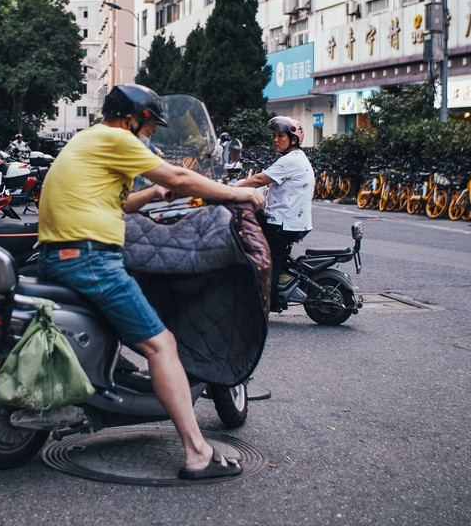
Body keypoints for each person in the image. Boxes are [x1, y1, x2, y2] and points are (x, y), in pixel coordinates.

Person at [37, 84, 264, 480]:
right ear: (133, 118)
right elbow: (180, 177)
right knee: (162, 344)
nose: (151, 135)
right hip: (91, 259)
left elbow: (116, 203)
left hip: (58, 256)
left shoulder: (87, 140)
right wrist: (234, 194)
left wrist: (152, 194)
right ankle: (197, 452)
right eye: (150, 127)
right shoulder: (116, 137)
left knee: (122, 327)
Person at [235, 117, 315, 311]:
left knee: (265, 261)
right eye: (274, 136)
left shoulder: (290, 160)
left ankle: (266, 302)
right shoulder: (292, 159)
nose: (276, 140)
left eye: (281, 136)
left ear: (293, 139)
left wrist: (226, 189)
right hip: (291, 221)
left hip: (283, 223)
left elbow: (258, 180)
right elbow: (267, 186)